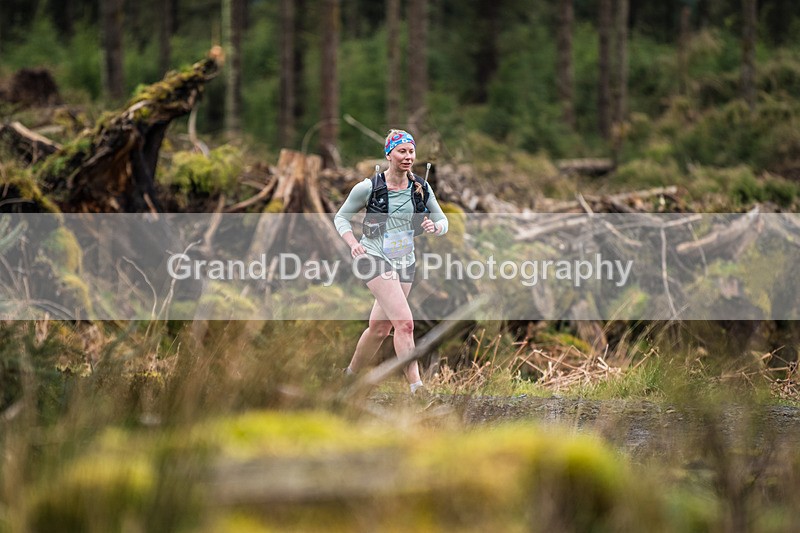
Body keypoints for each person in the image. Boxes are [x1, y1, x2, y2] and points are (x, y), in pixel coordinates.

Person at [334, 129, 449, 395]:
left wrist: (435, 227)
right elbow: (341, 218)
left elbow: (443, 221)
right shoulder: (368, 188)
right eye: (402, 151)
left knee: (379, 328)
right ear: (389, 154)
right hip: (373, 258)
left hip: (405, 261)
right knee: (405, 323)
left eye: (411, 151)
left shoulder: (421, 187)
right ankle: (417, 388)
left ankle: (348, 376)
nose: (408, 157)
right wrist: (354, 243)